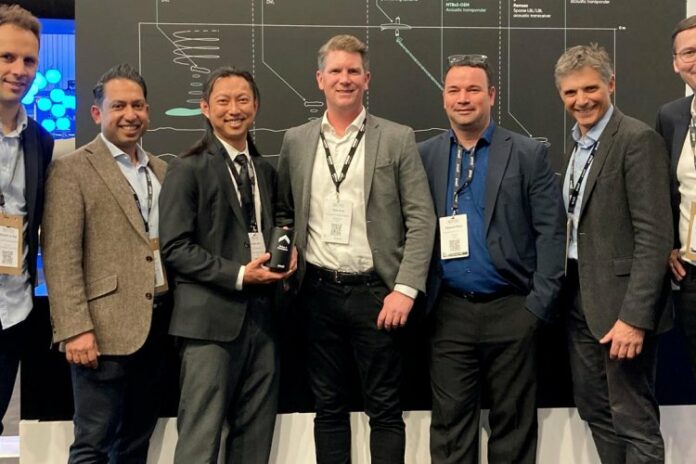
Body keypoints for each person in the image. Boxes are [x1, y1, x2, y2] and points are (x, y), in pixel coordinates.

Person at [275, 34, 435, 464]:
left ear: (367, 79)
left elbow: (422, 220)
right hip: (316, 293)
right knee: (328, 409)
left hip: (378, 295)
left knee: (384, 409)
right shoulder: (296, 140)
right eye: (335, 71)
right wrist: (285, 255)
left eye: (353, 71)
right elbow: (285, 211)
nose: (344, 79)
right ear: (320, 79)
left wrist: (405, 289)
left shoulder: (397, 138)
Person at [418, 54, 565, 464]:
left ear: (492, 95)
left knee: (513, 429)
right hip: (448, 311)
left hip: (512, 309)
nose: (463, 98)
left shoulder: (527, 153)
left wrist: (537, 306)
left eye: (473, 89)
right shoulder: (425, 155)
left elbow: (551, 232)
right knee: (450, 431)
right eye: (454, 90)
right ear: (444, 98)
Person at [159, 66, 294, 464]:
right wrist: (238, 275)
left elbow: (276, 226)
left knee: (255, 441)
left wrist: (288, 256)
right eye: (223, 101)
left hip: (263, 323)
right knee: (200, 443)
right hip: (208, 327)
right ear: (205, 108)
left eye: (242, 100)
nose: (234, 109)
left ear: (256, 106)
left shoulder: (264, 170)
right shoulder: (187, 168)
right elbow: (175, 248)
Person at [42, 63, 170, 462]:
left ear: (148, 111)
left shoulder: (161, 170)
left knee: (134, 444)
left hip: (156, 328)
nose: (130, 114)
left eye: (138, 105)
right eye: (119, 106)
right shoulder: (72, 169)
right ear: (97, 113)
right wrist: (75, 329)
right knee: (93, 445)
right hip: (101, 333)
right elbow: (61, 256)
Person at [556, 44, 672, 463]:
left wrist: (634, 319)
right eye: (570, 92)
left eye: (590, 88)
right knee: (596, 411)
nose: (581, 100)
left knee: (634, 420)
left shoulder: (637, 140)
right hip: (581, 301)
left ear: (611, 84)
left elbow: (654, 237)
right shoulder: (578, 145)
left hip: (622, 310)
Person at [0, 3, 53, 436]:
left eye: (29, 60)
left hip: (13, 312)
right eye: (7, 57)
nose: (19, 70)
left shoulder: (40, 141)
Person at [656, 15, 696, 383]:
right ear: (675, 63)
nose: (695, 60)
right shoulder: (671, 117)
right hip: (691, 276)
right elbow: (667, 191)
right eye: (688, 52)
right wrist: (669, 245)